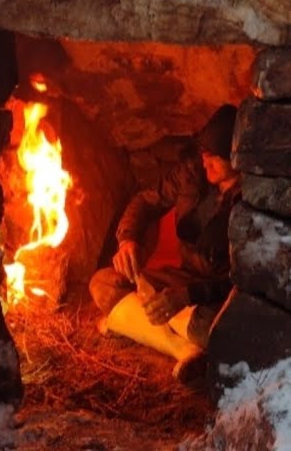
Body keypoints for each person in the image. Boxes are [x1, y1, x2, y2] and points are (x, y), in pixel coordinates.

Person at [88, 105, 240, 381]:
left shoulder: (253, 199)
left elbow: (242, 278)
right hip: (179, 279)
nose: (206, 162)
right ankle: (183, 350)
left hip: (213, 295)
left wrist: (187, 296)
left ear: (237, 156)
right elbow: (146, 200)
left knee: (212, 329)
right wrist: (127, 239)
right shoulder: (192, 173)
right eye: (204, 154)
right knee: (103, 284)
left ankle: (131, 321)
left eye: (215, 157)